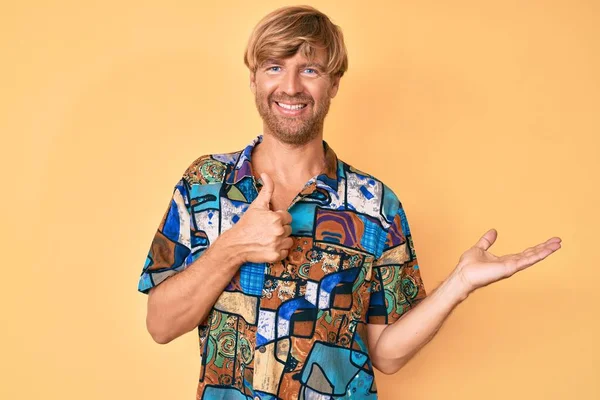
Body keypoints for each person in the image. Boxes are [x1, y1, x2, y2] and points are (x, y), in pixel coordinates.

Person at [137, 5, 562, 400]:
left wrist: (459, 286)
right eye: (274, 67)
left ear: (334, 82)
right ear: (254, 79)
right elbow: (161, 324)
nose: (290, 86)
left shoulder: (376, 205)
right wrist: (234, 247)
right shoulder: (204, 183)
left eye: (309, 69)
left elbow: (387, 354)